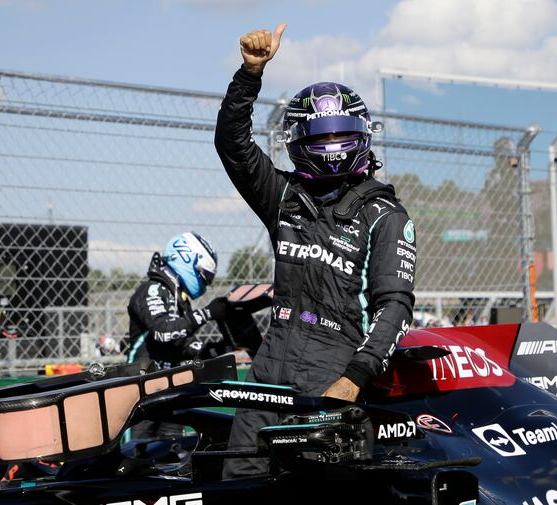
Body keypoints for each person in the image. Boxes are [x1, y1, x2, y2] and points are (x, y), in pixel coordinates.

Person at [216, 24, 417, 478]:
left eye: (339, 136)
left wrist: (353, 378)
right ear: (297, 141)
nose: (329, 147)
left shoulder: (386, 214)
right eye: (318, 138)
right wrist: (250, 74)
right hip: (269, 371)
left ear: (362, 135)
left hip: (333, 376)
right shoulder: (284, 196)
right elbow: (232, 146)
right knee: (237, 484)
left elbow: (396, 307)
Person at [126, 232, 229, 438]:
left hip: (169, 392)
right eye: (204, 276)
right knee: (136, 456)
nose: (206, 284)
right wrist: (207, 313)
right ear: (186, 258)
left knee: (173, 454)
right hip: (139, 394)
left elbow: (183, 344)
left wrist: (222, 349)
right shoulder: (152, 290)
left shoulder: (178, 299)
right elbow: (163, 331)